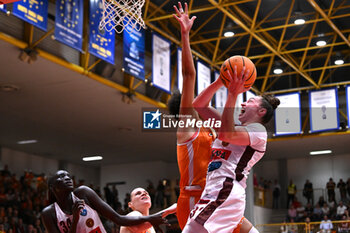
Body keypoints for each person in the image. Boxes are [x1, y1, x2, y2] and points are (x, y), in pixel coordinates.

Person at [170, 3, 259, 233]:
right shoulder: (186, 130)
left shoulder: (210, 131)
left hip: (219, 197)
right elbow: (189, 75)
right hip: (193, 199)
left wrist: (225, 80)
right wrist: (184, 34)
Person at [180, 25, 280, 231]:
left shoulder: (258, 133)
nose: (243, 103)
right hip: (215, 190)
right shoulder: (233, 126)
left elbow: (227, 134)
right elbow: (199, 105)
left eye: (250, 100)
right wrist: (220, 81)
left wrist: (233, 94)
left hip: (226, 190)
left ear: (261, 112)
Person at [41, 170, 167, 233]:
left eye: (68, 175)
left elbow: (118, 219)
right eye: (62, 177)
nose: (68, 178)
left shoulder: (84, 193)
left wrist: (150, 218)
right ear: (52, 187)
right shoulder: (48, 213)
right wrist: (75, 219)